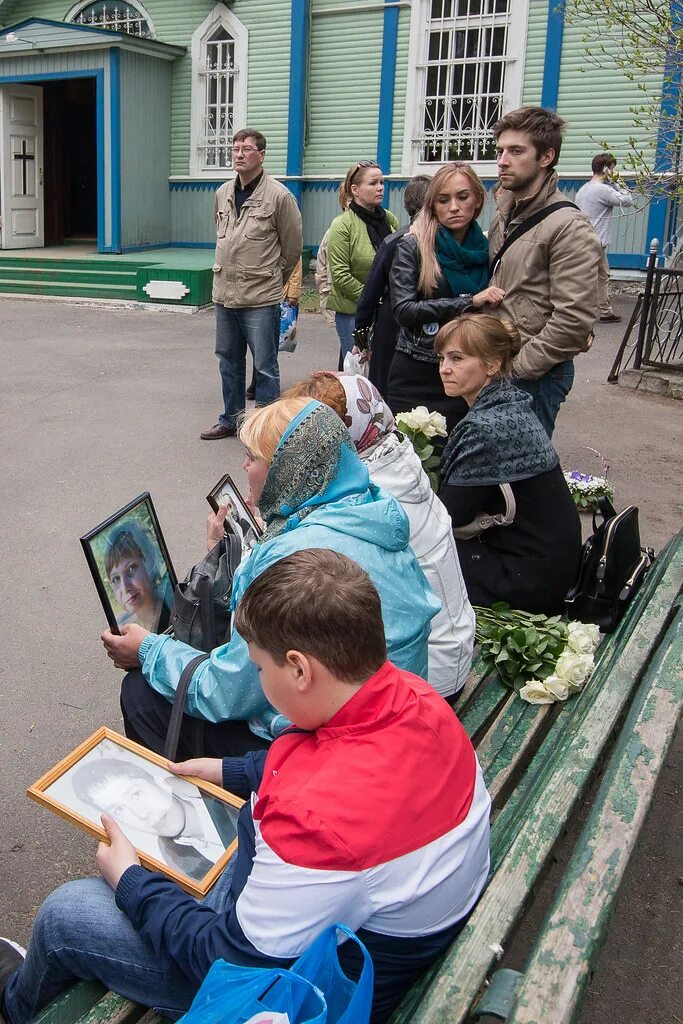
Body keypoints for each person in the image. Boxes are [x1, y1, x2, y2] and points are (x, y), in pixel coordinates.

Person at [0, 550, 491, 1024]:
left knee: (67, 914)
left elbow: (226, 959)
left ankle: (15, 1006)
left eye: (259, 668)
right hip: (366, 928)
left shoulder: (317, 827)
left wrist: (131, 880)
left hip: (302, 987)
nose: (258, 678)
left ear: (300, 669)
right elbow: (324, 755)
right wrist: (230, 771)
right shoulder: (417, 701)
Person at [104, 397, 441, 759]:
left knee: (139, 693)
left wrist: (147, 649)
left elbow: (224, 692)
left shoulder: (285, 559)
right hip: (395, 720)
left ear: (287, 470)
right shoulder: (370, 509)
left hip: (331, 750)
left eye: (255, 457)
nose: (244, 465)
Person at [287, 371, 474, 698]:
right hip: (449, 647)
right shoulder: (393, 457)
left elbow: (305, 580)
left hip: (428, 677)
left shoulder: (366, 496)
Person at [436, 314, 581, 613]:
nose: (445, 369)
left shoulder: (486, 428)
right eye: (442, 358)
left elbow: (447, 516)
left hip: (528, 580)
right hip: (551, 562)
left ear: (492, 364)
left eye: (457, 358)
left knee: (425, 554)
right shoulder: (511, 404)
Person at [488, 106, 602, 437]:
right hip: (501, 364)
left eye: (516, 151)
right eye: (500, 151)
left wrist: (517, 369)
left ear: (546, 156)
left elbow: (573, 321)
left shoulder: (567, 226)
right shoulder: (505, 211)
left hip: (535, 376)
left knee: (524, 478)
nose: (503, 160)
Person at [201, 128, 303, 441]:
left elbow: (292, 248)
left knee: (265, 367)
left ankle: (266, 428)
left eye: (246, 148)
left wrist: (272, 279)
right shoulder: (222, 193)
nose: (239, 154)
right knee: (228, 362)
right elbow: (222, 235)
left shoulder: (279, 196)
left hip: (260, 298)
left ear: (261, 154)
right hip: (225, 296)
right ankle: (231, 420)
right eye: (235, 149)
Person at [389, 163, 505, 433]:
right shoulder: (414, 245)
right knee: (414, 464)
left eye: (462, 197)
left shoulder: (487, 249)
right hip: (417, 369)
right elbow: (403, 310)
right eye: (444, 200)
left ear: (477, 199)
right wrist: (469, 301)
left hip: (467, 374)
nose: (453, 207)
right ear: (433, 205)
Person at [71, 755, 238, 883]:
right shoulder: (172, 856)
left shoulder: (229, 806)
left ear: (159, 781)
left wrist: (131, 882)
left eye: (136, 794)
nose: (141, 814)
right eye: (119, 810)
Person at [353, 175, 431, 397]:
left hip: (392, 320)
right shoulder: (444, 240)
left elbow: (368, 297)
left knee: (385, 388)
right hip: (425, 321)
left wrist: (360, 340)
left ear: (407, 205)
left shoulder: (394, 241)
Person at [326, 161, 399, 366]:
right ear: (355, 190)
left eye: (382, 182)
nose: (380, 187)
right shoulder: (342, 225)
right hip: (353, 313)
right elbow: (340, 275)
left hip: (386, 311)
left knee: (381, 367)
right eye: (373, 183)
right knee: (356, 366)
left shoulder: (389, 220)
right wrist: (373, 299)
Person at [576, 153, 634, 324]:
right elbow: (628, 199)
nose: (614, 172)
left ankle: (602, 310)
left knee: (596, 275)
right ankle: (596, 311)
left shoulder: (584, 189)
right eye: (613, 169)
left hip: (583, 239)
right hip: (596, 240)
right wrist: (616, 181)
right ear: (606, 169)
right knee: (597, 276)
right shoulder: (602, 190)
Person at [246, 258, 303, 400]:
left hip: (280, 296)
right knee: (261, 344)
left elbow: (295, 263)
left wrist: (293, 294)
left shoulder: (286, 238)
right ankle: (258, 383)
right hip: (260, 294)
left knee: (268, 346)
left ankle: (263, 387)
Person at [104, 521, 172, 633]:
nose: (125, 587)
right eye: (116, 579)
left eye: (131, 568)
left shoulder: (172, 606)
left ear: (151, 561)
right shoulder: (127, 630)